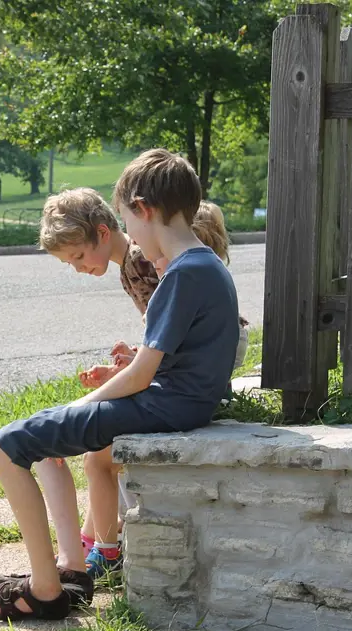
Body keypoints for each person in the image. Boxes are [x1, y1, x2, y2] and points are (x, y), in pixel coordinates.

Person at [0, 149, 241, 621]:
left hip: (166, 405)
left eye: (125, 220)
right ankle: (67, 569)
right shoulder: (202, 266)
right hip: (179, 402)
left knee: (8, 446)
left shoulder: (182, 273)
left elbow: (141, 374)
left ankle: (47, 590)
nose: (130, 237)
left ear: (143, 210)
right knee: (32, 438)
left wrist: (81, 405)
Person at [74, 199, 250, 577]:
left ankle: (102, 546)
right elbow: (167, 331)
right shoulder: (131, 267)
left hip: (204, 356)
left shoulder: (140, 260)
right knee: (104, 452)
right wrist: (138, 358)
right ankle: (100, 541)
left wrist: (135, 372)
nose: (155, 262)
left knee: (103, 448)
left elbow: (179, 328)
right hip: (198, 354)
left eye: (77, 256)